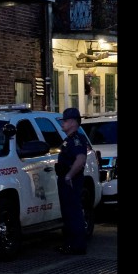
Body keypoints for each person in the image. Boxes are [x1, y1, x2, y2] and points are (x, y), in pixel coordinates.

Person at [56, 106, 93, 255]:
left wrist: (69, 175)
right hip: (66, 180)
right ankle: (70, 244)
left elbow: (80, 160)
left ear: (72, 122)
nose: (62, 123)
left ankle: (77, 246)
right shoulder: (69, 140)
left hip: (71, 181)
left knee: (73, 213)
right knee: (68, 213)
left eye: (65, 121)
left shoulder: (77, 140)